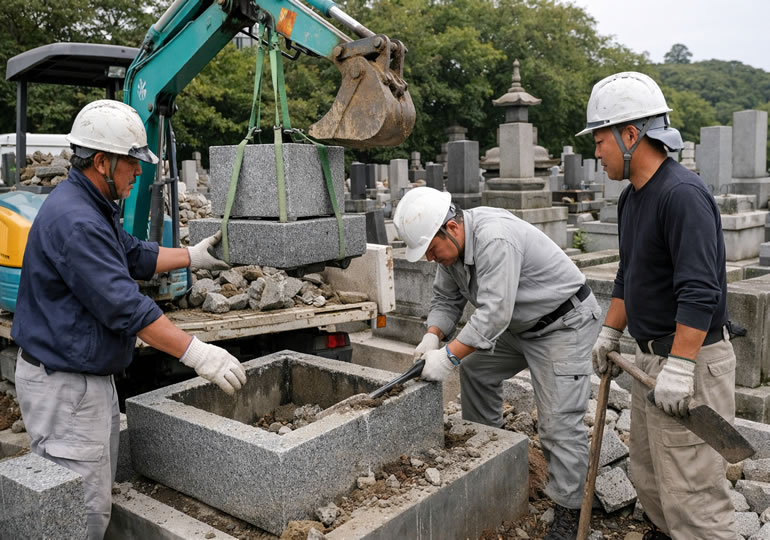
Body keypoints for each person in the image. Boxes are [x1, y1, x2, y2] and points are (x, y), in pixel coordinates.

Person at [12, 99, 247, 540]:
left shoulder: (91, 203)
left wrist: (194, 256)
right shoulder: (77, 221)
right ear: (102, 162)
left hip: (81, 380)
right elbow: (126, 307)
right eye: (132, 163)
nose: (139, 173)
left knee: (92, 502)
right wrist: (197, 353)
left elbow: (132, 251)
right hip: (65, 388)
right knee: (78, 517)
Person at [393, 187, 602, 540]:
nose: (431, 258)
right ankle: (493, 449)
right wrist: (432, 335)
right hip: (520, 325)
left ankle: (570, 508)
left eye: (431, 249)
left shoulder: (494, 239)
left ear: (452, 229)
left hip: (562, 324)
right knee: (476, 368)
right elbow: (446, 299)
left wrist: (448, 356)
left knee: (556, 421)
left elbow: (492, 316)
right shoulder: (451, 253)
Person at [581, 72, 736, 540]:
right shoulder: (633, 199)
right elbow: (630, 274)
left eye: (600, 138)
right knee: (651, 478)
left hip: (689, 361)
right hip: (651, 359)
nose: (596, 151)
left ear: (631, 134)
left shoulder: (681, 195)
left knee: (693, 495)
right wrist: (610, 332)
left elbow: (700, 291)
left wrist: (681, 365)